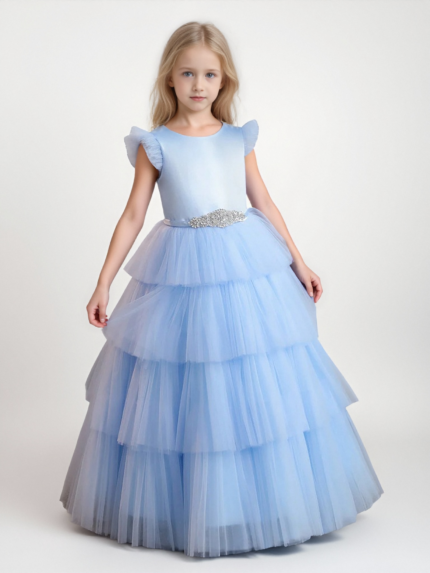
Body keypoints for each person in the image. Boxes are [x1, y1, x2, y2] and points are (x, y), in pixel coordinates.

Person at [60, 21, 384, 558]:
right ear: (170, 78)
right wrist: (102, 283)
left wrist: (299, 262)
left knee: (252, 379)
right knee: (187, 382)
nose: (199, 84)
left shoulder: (237, 138)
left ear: (224, 79)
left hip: (244, 266)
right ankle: (187, 505)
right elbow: (134, 214)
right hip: (182, 269)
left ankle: (264, 502)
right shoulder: (156, 144)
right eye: (188, 73)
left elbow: (264, 202)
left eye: (210, 74)